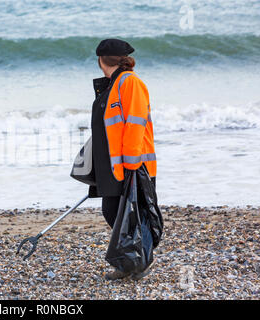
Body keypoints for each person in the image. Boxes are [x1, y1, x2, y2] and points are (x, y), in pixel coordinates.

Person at [89, 39, 157, 280]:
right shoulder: (112, 84)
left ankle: (140, 263)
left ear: (100, 60)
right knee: (114, 211)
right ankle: (131, 262)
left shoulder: (131, 83)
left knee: (137, 215)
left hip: (134, 164)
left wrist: (131, 164)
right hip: (115, 164)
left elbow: (135, 124)